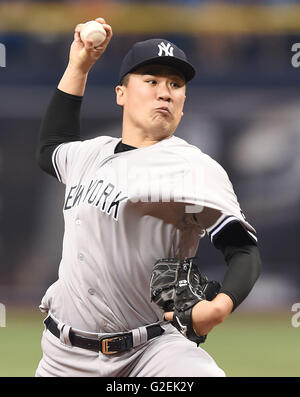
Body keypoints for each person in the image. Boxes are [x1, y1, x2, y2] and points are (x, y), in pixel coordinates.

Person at [35, 17, 262, 377]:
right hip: (63, 357)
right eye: (151, 80)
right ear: (121, 93)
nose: (165, 91)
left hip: (153, 352)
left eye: (176, 84)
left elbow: (243, 249)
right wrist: (79, 65)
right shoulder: (90, 153)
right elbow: (51, 147)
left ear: (183, 103)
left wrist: (219, 306)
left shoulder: (192, 166)